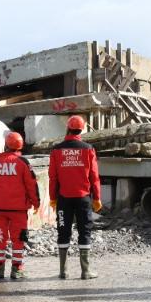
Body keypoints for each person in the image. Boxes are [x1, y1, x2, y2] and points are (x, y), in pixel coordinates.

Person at [49, 115, 103, 280]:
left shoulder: (56, 150)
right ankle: (85, 271)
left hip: (63, 198)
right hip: (83, 198)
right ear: (82, 129)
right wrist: (97, 198)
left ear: (68, 128)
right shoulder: (88, 149)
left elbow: (53, 177)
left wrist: (52, 198)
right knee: (84, 231)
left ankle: (63, 271)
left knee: (63, 232)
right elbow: (94, 176)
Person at [0, 132, 39, 280]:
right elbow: (31, 185)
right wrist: (36, 203)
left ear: (6, 145)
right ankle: (17, 270)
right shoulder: (23, 163)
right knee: (18, 239)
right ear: (20, 146)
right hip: (19, 209)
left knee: (0, 237)